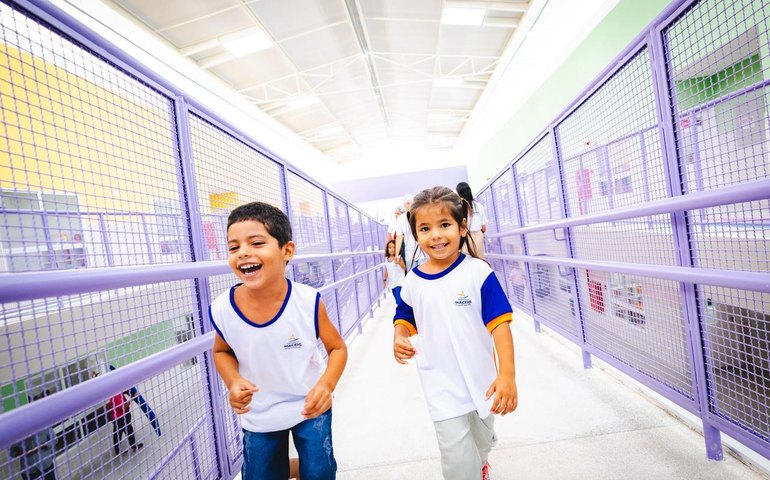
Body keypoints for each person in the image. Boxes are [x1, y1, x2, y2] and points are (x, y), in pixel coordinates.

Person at [210, 202, 347, 480]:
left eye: (256, 243)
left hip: (309, 405)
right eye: (234, 247)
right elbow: (221, 351)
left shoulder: (308, 302)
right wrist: (233, 382)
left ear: (287, 251)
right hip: (259, 413)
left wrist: (326, 385)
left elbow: (337, 348)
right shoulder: (223, 308)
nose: (244, 253)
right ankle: (288, 469)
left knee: (319, 473)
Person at [392, 186, 517, 480]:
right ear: (416, 235)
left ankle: (481, 460)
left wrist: (507, 375)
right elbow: (404, 316)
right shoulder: (413, 281)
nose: (435, 235)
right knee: (457, 461)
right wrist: (399, 335)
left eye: (444, 225)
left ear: (462, 228)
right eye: (425, 228)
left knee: (483, 440)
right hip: (440, 384)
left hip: (481, 380)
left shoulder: (478, 272)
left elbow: (500, 326)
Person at [10, 393, 57, 480]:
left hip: (46, 465)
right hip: (29, 470)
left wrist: (42, 446)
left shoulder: (42, 423)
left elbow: (54, 439)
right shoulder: (17, 430)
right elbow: (12, 452)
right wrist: (23, 452)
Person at [394, 193, 427, 271]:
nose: (410, 205)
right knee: (413, 278)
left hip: (424, 254)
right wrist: (396, 254)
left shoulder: (421, 215)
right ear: (404, 205)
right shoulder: (401, 219)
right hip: (410, 255)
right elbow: (399, 237)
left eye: (412, 203)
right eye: (408, 203)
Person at [456, 182, 487, 260]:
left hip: (465, 236)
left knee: (466, 261)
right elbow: (483, 228)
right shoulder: (479, 206)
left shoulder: (458, 208)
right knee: (480, 260)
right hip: (478, 235)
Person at [108, 390, 143, 455]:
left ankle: (118, 450)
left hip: (116, 417)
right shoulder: (116, 395)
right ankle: (133, 446)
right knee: (127, 431)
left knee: (118, 433)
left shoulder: (113, 393)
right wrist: (133, 398)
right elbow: (123, 407)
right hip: (120, 417)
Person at [383, 239, 406, 304]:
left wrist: (399, 263)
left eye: (394, 247)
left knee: (399, 301)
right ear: (387, 249)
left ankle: (401, 313)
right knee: (397, 300)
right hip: (392, 283)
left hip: (400, 282)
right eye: (390, 247)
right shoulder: (386, 259)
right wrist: (384, 280)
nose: (392, 249)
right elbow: (387, 270)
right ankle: (404, 312)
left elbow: (404, 268)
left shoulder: (399, 257)